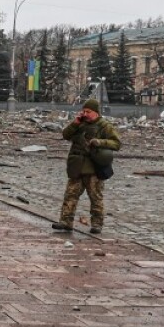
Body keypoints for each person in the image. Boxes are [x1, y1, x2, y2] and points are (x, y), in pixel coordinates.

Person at [53, 98, 121, 234]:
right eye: (83, 111)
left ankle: (97, 224)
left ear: (95, 112)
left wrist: (100, 142)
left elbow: (116, 143)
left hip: (93, 167)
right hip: (77, 166)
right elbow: (66, 135)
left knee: (95, 197)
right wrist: (75, 123)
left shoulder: (104, 125)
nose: (85, 114)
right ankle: (66, 221)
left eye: (88, 111)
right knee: (70, 195)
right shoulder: (79, 124)